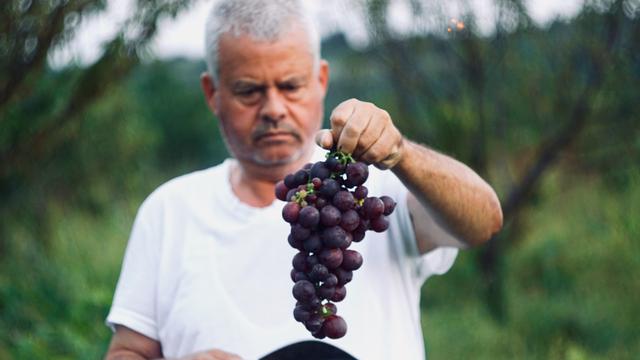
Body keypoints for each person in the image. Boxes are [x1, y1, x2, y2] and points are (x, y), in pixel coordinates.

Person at [104, 0, 503, 359]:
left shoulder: (375, 191)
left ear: (321, 81)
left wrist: (402, 153)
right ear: (213, 93)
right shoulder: (170, 210)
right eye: (249, 91)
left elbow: (484, 221)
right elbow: (128, 351)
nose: (273, 108)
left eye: (290, 85)